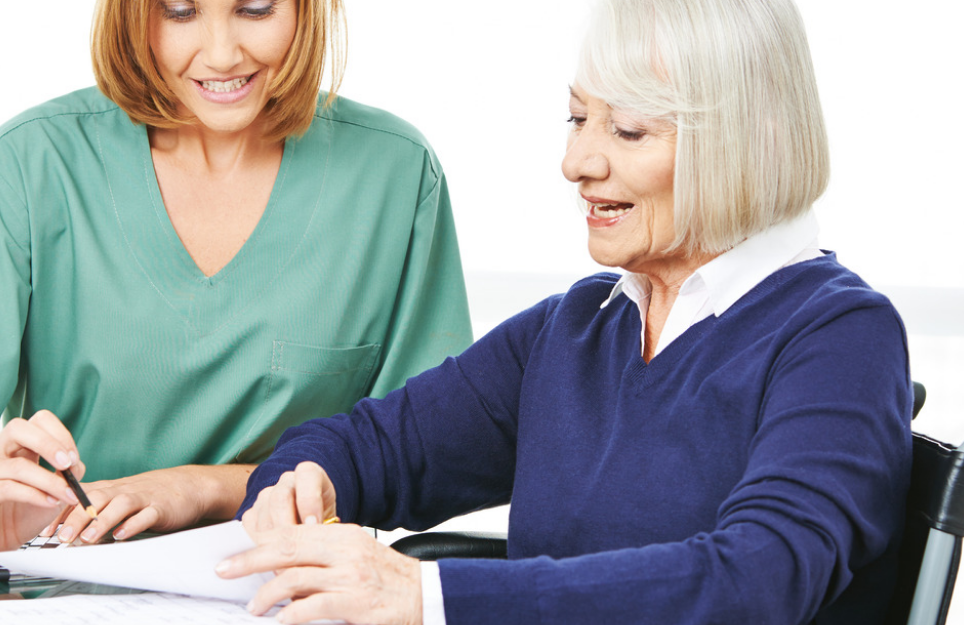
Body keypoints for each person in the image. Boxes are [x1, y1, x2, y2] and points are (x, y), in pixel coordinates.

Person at [217, 0, 912, 623]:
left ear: (750, 139)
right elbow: (371, 445)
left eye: (629, 131)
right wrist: (297, 484)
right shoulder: (577, 327)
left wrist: (428, 596)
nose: (576, 161)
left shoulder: (841, 337)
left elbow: (757, 579)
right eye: (578, 118)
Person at [0, 0, 471, 566]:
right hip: (69, 585)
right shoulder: (29, 164)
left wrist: (198, 488)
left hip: (293, 590)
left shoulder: (395, 173)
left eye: (256, 9)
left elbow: (424, 455)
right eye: (179, 11)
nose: (220, 54)